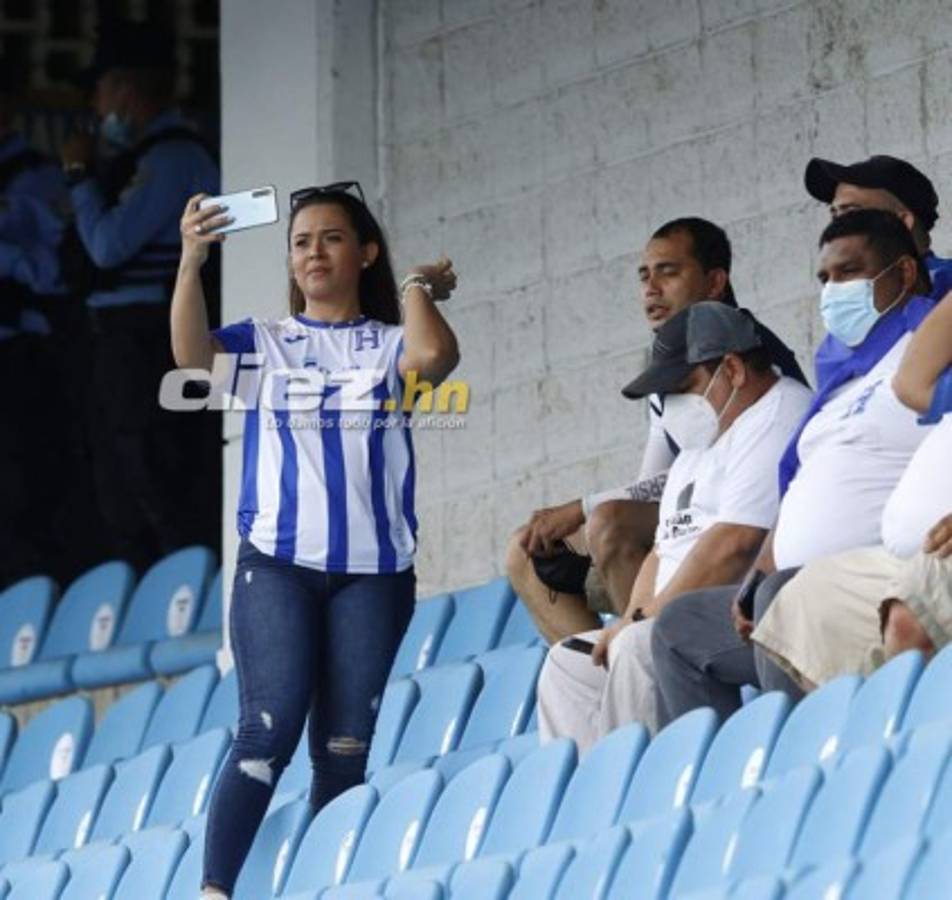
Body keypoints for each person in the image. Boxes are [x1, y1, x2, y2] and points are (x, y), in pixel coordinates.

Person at [171, 181, 459, 899]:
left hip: (375, 574)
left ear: (365, 253)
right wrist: (190, 262)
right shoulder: (266, 341)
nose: (314, 252)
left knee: (342, 756)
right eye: (301, 242)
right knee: (267, 733)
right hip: (277, 567)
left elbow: (436, 358)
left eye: (332, 238)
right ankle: (214, 892)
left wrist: (417, 283)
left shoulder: (391, 344)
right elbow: (190, 361)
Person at [651, 208, 938, 727]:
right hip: (789, 592)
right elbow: (801, 488)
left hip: (875, 579)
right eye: (824, 278)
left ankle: (802, 764)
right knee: (678, 627)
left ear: (905, 274)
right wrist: (754, 577)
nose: (832, 290)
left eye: (848, 273)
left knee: (785, 598)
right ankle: (720, 788)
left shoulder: (924, 350)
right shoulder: (840, 380)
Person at [505, 218, 806, 643]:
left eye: (669, 271)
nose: (651, 288)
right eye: (644, 275)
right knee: (526, 550)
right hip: (685, 522)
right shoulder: (666, 364)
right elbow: (662, 479)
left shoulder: (752, 358)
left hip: (744, 525)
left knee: (609, 522)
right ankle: (604, 672)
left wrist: (585, 506)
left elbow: (745, 468)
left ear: (715, 281)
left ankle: (644, 652)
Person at [536, 303, 811, 747]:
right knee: (568, 665)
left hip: (738, 613)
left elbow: (733, 545)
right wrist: (629, 616)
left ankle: (647, 790)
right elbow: (662, 550)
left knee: (637, 645)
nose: (674, 407)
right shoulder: (696, 448)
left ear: (734, 369)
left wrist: (644, 619)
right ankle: (594, 801)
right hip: (668, 614)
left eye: (684, 387)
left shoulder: (776, 414)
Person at [60, 19, 220, 570]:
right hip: (117, 342)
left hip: (147, 335)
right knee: (119, 483)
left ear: (125, 91)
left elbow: (108, 246)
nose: (97, 106)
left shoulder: (172, 158)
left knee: (156, 475)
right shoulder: (144, 156)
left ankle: (181, 589)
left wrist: (79, 174)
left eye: (101, 92)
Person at [750, 286, 952, 690]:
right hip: (907, 556)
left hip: (938, 563)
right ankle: (848, 751)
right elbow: (911, 381)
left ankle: (919, 743)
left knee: (910, 610)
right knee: (804, 601)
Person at [804, 154, 952, 386]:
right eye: (834, 215)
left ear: (903, 221)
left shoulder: (946, 287)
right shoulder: (839, 333)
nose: (837, 227)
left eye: (851, 212)